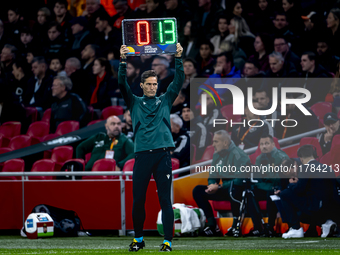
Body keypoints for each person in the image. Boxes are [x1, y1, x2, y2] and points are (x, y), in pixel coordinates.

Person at [119, 43, 184, 252]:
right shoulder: (134, 102)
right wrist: (122, 61)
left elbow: (179, 81)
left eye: (154, 84)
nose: (152, 87)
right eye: (148, 84)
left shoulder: (165, 100)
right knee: (138, 200)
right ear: (142, 85)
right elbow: (122, 84)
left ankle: (167, 241)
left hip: (163, 155)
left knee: (165, 201)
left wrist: (179, 59)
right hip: (142, 157)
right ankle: (138, 239)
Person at [192, 130, 250, 236]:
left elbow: (240, 179)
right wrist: (211, 185)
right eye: (213, 141)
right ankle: (212, 226)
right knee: (197, 191)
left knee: (235, 188)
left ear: (225, 143)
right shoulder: (216, 155)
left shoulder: (239, 155)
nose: (213, 144)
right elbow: (213, 176)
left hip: (238, 189)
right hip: (223, 189)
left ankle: (236, 226)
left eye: (216, 142)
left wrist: (219, 186)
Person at [278, 145, 337, 239]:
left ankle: (295, 228)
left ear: (301, 158)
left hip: (315, 207)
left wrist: (291, 185)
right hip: (330, 207)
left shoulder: (305, 168)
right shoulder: (328, 168)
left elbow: (299, 190)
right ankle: (326, 222)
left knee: (285, 194)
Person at [253, 135, 289, 236]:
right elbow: (257, 179)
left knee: (271, 192)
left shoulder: (282, 157)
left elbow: (280, 178)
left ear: (273, 144)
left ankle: (270, 226)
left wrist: (267, 176)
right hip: (265, 186)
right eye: (262, 144)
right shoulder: (259, 159)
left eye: (267, 143)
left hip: (280, 187)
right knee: (249, 192)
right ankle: (258, 226)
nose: (264, 146)